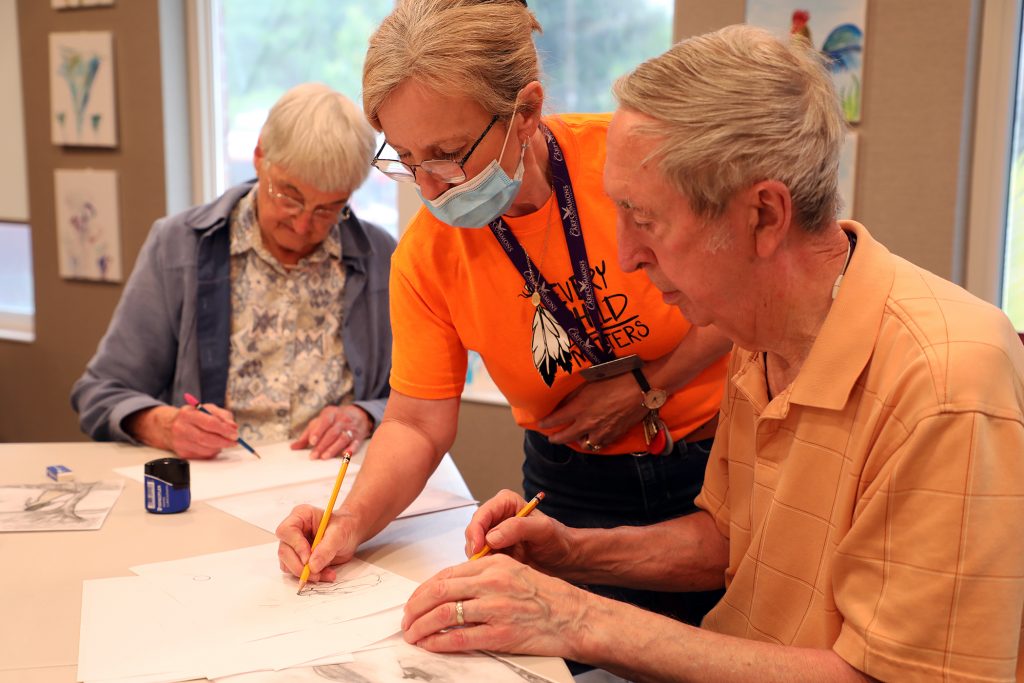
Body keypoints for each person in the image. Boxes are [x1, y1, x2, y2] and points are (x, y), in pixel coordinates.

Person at [399, 25, 1024, 682]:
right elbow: (727, 544)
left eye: (646, 218)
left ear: (762, 215)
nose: (629, 254)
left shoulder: (948, 385)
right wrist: (570, 551)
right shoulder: (761, 338)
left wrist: (580, 619)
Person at [276, 0, 732, 625]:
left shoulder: (634, 165)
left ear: (527, 111)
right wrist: (349, 520)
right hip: (568, 486)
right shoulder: (427, 257)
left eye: (450, 152)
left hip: (714, 465)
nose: (432, 188)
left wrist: (648, 387)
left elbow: (739, 304)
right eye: (408, 161)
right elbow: (415, 423)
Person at [71, 83, 396, 461]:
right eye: (289, 196)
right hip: (217, 483)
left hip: (336, 482)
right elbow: (100, 392)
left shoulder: (381, 258)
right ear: (259, 156)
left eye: (328, 209)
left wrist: (365, 416)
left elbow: (420, 402)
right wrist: (164, 425)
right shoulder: (179, 246)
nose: (304, 226)